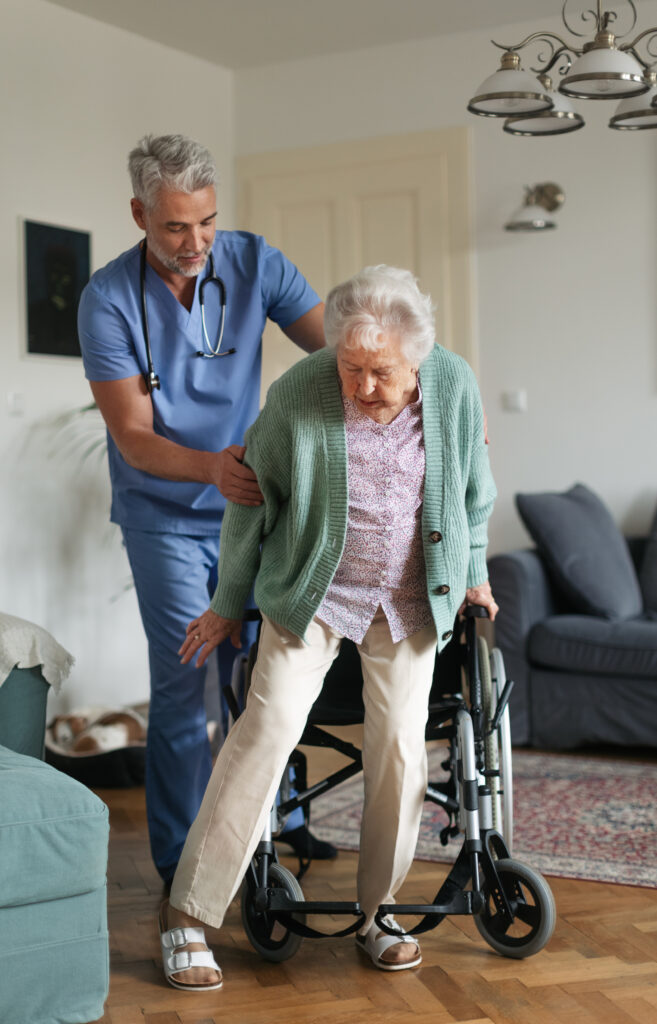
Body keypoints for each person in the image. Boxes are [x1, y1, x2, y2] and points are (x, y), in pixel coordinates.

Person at [157, 265, 498, 991]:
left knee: (403, 751)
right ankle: (186, 915)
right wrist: (227, 603)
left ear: (417, 358)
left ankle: (381, 916)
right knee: (267, 728)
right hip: (311, 597)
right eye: (350, 367)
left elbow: (473, 491)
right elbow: (250, 499)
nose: (362, 386)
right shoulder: (299, 393)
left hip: (410, 603)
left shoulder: (454, 385)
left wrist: (475, 572)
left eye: (380, 371)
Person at [77, 133, 334, 887]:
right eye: (174, 227)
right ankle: (180, 857)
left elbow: (338, 352)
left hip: (252, 511)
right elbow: (130, 435)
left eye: (206, 222)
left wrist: (435, 388)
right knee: (188, 681)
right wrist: (211, 469)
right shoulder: (109, 299)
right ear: (138, 214)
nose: (195, 244)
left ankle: (280, 822)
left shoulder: (256, 262)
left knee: (266, 671)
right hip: (164, 514)